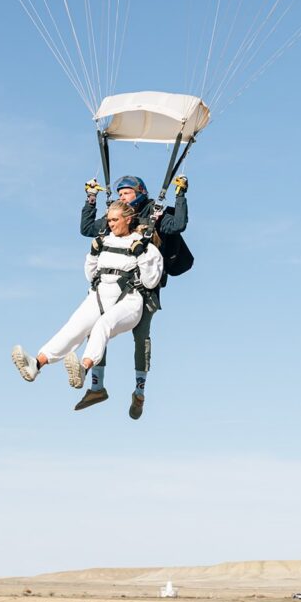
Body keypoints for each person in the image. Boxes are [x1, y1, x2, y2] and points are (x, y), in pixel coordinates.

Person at [12, 200, 164, 393]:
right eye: (109, 220)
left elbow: (151, 281)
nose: (110, 224)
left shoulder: (145, 246)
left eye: (115, 220)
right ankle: (36, 364)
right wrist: (92, 254)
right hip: (99, 296)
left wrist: (141, 254)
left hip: (128, 302)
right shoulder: (105, 241)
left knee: (102, 325)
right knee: (74, 326)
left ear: (128, 219)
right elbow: (90, 275)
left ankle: (83, 369)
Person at [76, 173, 189, 419]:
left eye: (126, 193)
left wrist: (180, 195)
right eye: (119, 194)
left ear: (139, 193)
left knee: (141, 338)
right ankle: (96, 387)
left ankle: (139, 392)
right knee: (96, 328)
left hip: (144, 289)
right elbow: (86, 229)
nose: (122, 197)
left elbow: (178, 224)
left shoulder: (154, 213)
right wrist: (91, 198)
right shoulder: (116, 217)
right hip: (112, 286)